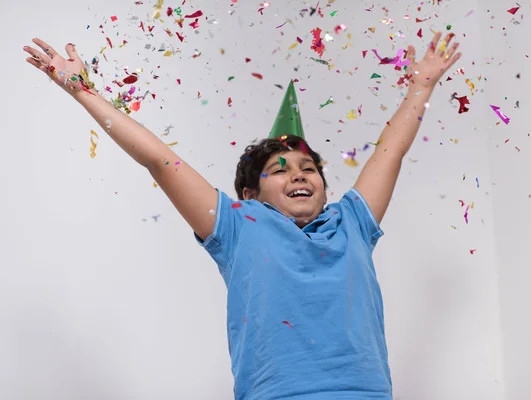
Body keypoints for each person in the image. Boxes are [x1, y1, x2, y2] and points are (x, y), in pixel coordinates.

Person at [23, 31, 461, 399]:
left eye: (309, 169)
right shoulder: (238, 225)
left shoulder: (353, 223)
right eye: (280, 170)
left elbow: (392, 150)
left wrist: (421, 87)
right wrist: (82, 92)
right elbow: (159, 160)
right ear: (251, 194)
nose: (299, 175)